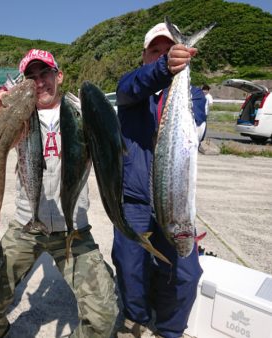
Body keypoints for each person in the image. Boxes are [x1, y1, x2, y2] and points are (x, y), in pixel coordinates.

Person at [0, 49, 118, 338]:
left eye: (45, 74)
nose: (40, 82)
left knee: (104, 318)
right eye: (32, 77)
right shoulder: (20, 117)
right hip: (26, 226)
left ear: (59, 76)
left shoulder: (80, 114)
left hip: (73, 230)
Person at [112, 23, 206, 338]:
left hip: (175, 204)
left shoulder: (190, 94)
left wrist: (174, 75)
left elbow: (198, 118)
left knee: (186, 276)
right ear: (144, 56)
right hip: (135, 204)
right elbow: (128, 88)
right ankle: (134, 320)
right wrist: (164, 68)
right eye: (155, 51)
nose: (162, 55)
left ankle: (170, 330)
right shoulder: (130, 93)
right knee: (129, 268)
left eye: (168, 51)